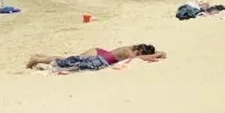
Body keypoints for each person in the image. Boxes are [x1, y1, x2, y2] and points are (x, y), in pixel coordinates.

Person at [26, 44, 165, 72]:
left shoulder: (129, 48)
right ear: (138, 51)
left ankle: (40, 57)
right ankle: (37, 59)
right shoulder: (129, 52)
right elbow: (138, 58)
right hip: (100, 56)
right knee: (68, 60)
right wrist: (158, 54)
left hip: (100, 53)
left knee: (70, 59)